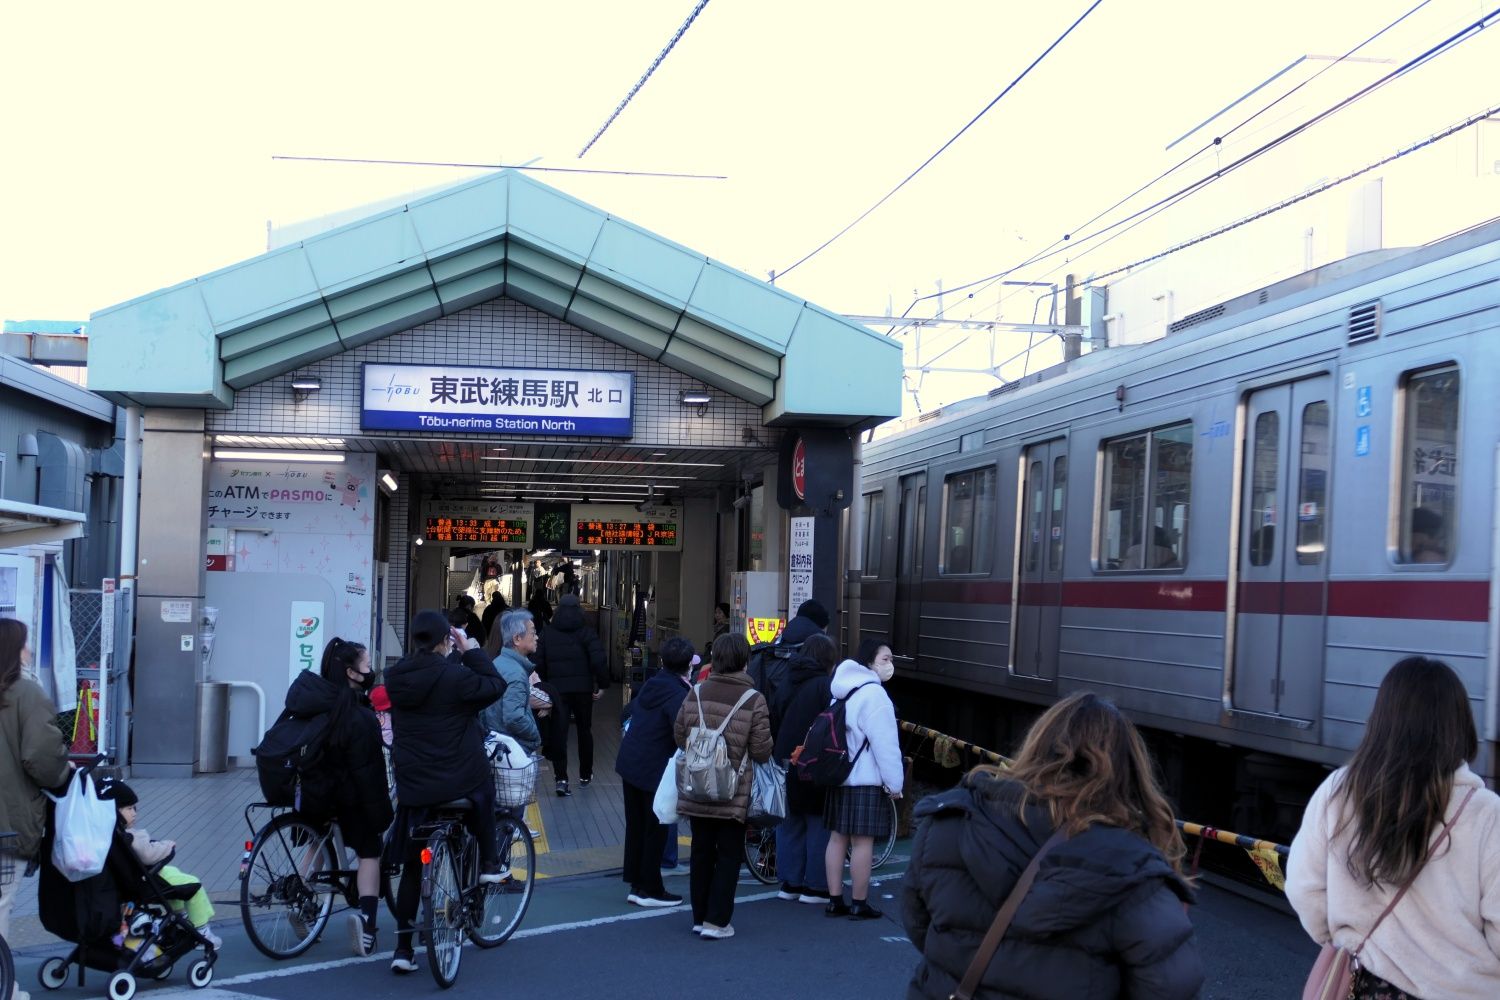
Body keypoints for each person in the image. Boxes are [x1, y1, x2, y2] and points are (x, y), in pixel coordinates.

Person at [901, 691, 1203, 999]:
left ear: (1036, 746)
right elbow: (1170, 987)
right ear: (1129, 770)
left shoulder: (949, 823)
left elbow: (918, 924)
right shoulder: (1134, 872)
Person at [1287, 657, 1500, 998]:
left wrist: (1344, 936)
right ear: (1458, 726)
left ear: (1382, 720)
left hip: (1365, 987)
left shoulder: (1340, 791)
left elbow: (1303, 888)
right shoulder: (1487, 814)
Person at [385, 610, 507, 974]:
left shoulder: (394, 678)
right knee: (485, 787)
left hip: (415, 785)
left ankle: (403, 949)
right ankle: (488, 863)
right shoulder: (456, 676)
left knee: (411, 863)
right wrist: (469, 649)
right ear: (444, 641)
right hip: (458, 781)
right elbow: (495, 685)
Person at [281, 637, 394, 956]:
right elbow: (367, 773)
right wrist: (380, 812)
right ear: (351, 673)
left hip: (314, 794)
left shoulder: (315, 702)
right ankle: (368, 924)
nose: (371, 670)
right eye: (367, 666)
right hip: (348, 797)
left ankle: (301, 900)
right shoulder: (358, 715)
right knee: (369, 851)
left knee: (318, 841)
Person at [674, 633, 772, 939]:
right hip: (733, 791)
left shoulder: (697, 692)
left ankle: (699, 917)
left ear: (714, 660)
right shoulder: (754, 699)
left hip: (699, 785)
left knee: (701, 851)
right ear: (745, 661)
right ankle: (717, 922)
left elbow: (679, 735)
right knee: (729, 854)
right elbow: (761, 750)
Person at [0, 618, 70, 1000]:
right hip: (7, 822)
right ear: (14, 650)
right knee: (0, 906)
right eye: (26, 645)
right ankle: (4, 987)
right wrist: (64, 773)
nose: (29, 651)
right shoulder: (26, 693)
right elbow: (41, 758)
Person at [824, 638, 903, 919]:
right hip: (865, 781)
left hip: (839, 775)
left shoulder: (841, 690)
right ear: (869, 662)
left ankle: (835, 900)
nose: (890, 665)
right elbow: (886, 745)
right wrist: (895, 784)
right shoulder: (875, 695)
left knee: (836, 840)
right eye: (884, 660)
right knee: (862, 842)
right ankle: (859, 903)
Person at [614, 636, 695, 908]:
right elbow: (684, 733)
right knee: (656, 826)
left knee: (637, 826)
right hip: (653, 769)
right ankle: (650, 888)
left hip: (631, 763)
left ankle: (637, 884)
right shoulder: (679, 694)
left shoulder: (653, 683)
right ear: (688, 667)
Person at [97, 778, 222, 949]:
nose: (134, 813)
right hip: (146, 881)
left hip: (127, 882)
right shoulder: (130, 836)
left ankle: (181, 917)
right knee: (193, 885)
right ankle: (202, 930)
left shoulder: (104, 835)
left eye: (135, 808)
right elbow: (149, 854)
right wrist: (168, 846)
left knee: (174, 873)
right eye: (129, 808)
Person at [771, 633, 838, 904]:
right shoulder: (826, 686)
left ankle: (789, 883)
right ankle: (815, 886)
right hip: (813, 760)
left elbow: (775, 715)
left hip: (784, 757)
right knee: (818, 821)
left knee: (790, 821)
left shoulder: (787, 679)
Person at [535, 590, 607, 796]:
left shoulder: (547, 633)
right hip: (583, 691)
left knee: (560, 732)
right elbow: (599, 660)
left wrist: (545, 687)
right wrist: (601, 685)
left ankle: (561, 779)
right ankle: (585, 774)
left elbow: (538, 662)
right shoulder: (587, 632)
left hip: (557, 692)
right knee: (585, 730)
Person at [750, 597, 829, 738]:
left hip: (765, 735)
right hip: (799, 744)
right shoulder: (814, 659)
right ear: (820, 627)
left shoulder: (770, 650)